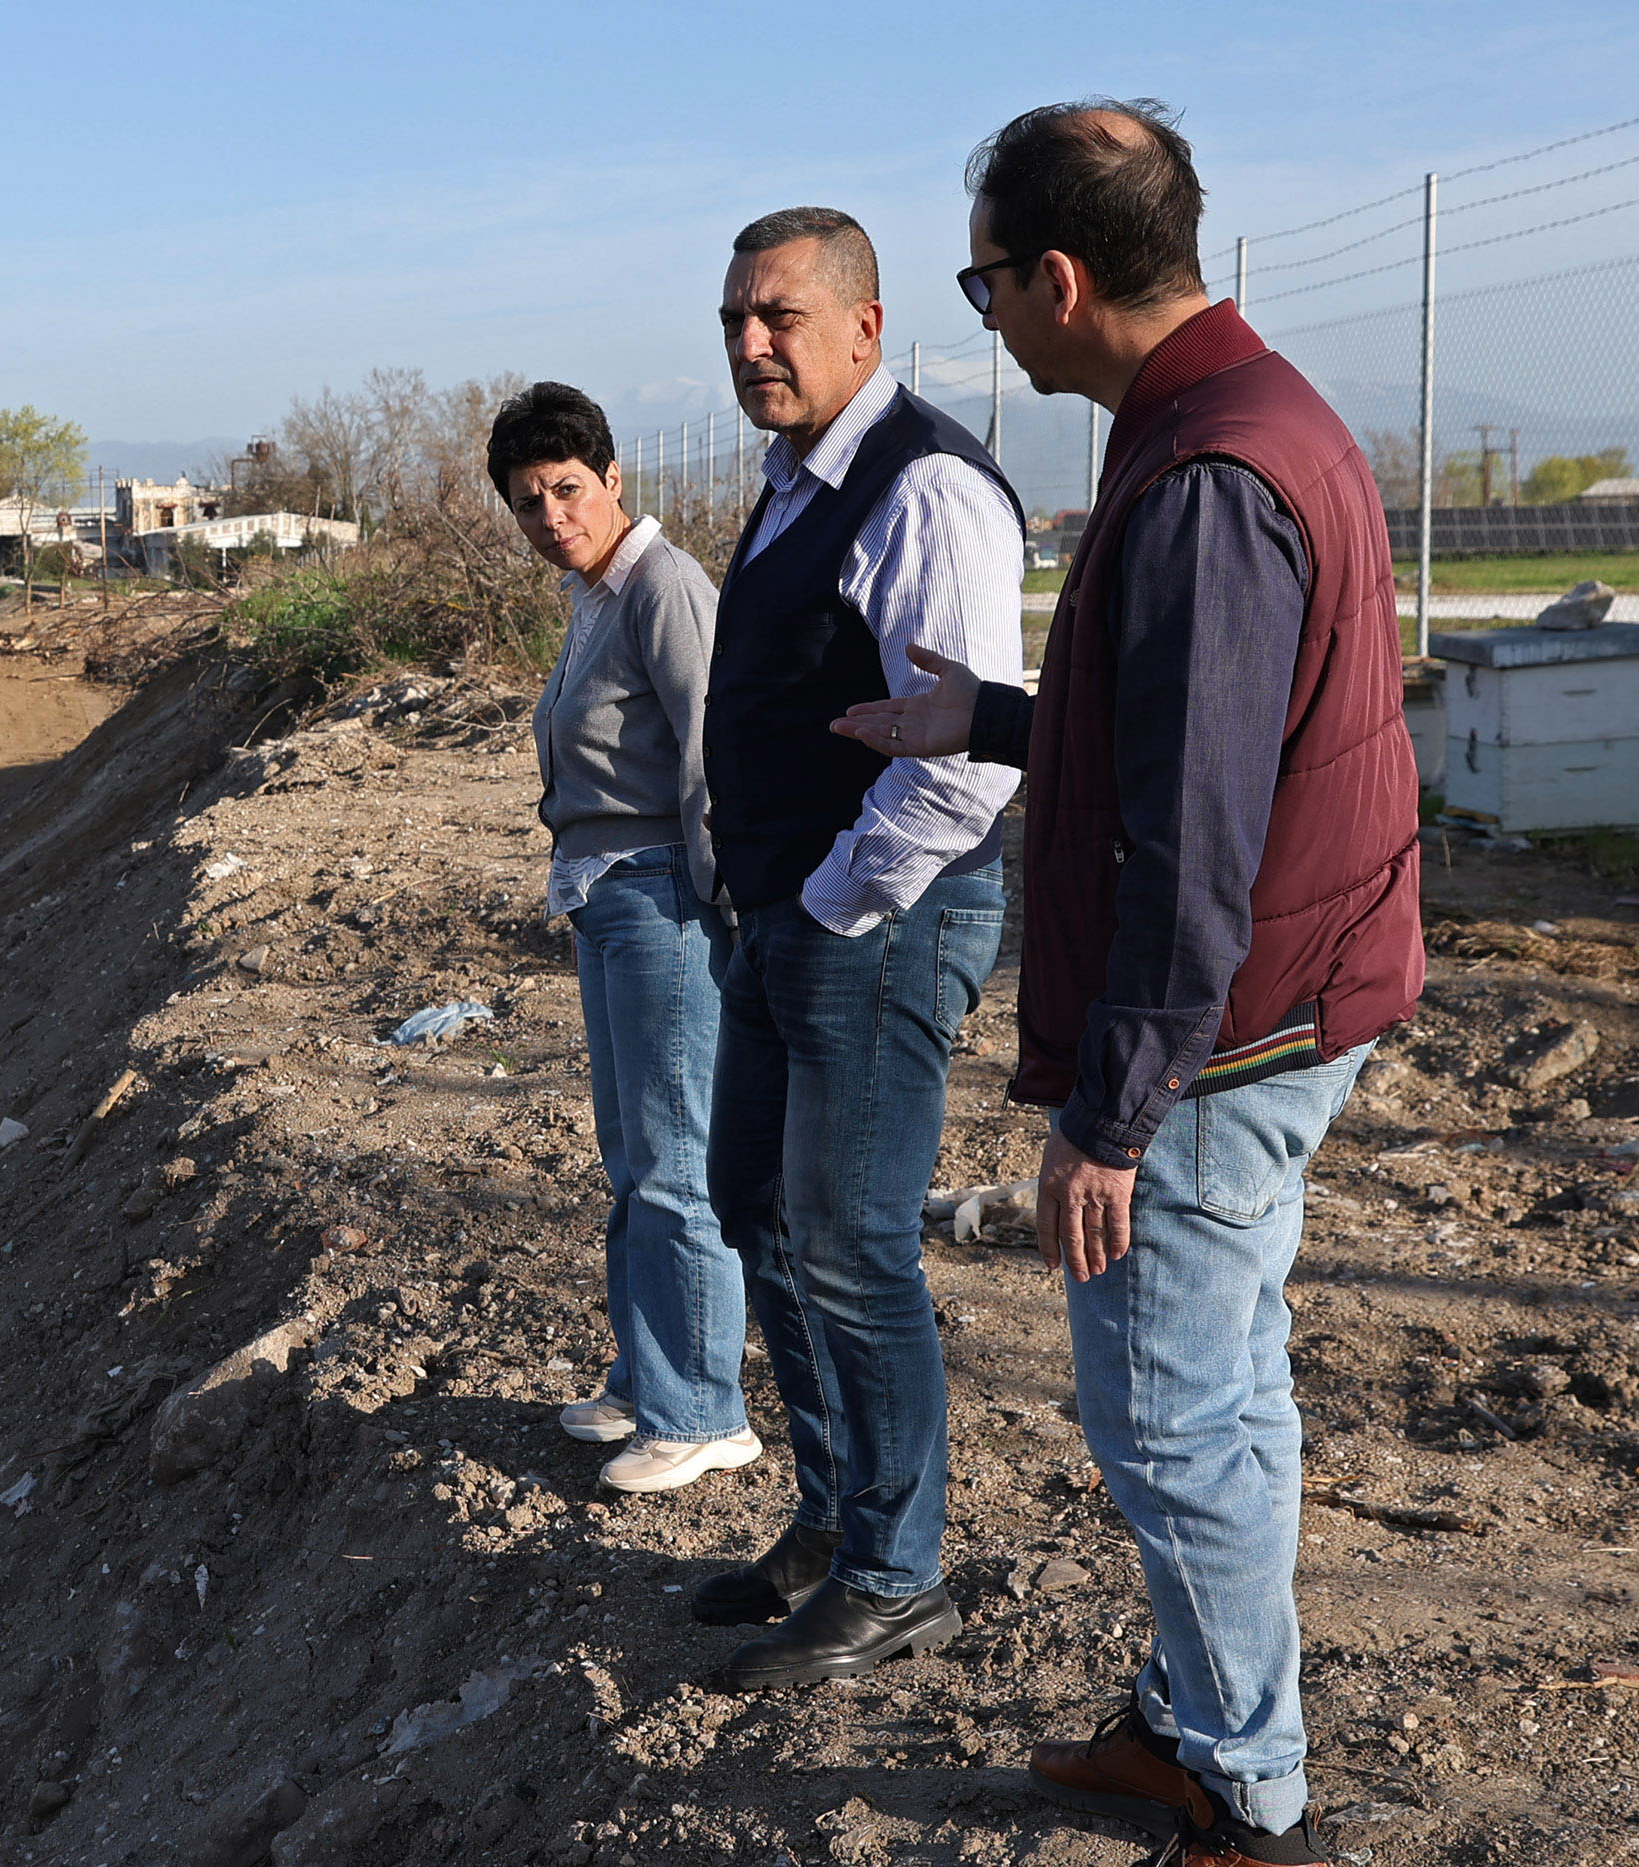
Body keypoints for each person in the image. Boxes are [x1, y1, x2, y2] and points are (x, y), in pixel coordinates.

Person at [833, 100, 1422, 1867]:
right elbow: (1190, 739)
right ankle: (1200, 1718)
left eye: (988, 281)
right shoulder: (1237, 420)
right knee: (1226, 1395)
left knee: (1170, 1427)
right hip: (1281, 1002)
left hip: (1222, 1037)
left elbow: (1196, 844)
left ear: (1062, 278)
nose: (990, 315)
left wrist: (1109, 1113)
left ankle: (1251, 1800)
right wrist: (997, 719)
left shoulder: (1208, 477)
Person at [680, 209, 1023, 1688]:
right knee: (752, 1202)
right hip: (783, 914)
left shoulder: (923, 484)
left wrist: (831, 900)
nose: (754, 342)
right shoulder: (788, 483)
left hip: (878, 918)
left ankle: (897, 1570)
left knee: (852, 1241)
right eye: (736, 319)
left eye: (782, 316)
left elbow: (964, 754)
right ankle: (832, 1520)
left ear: (868, 326)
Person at [494, 382, 758, 1495]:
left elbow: (711, 759)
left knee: (673, 1159)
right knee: (630, 1156)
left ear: (611, 479)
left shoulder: (662, 585)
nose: (553, 514)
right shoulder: (590, 593)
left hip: (663, 896)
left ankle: (703, 1410)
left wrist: (720, 911)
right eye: (528, 501)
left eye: (566, 488)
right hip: (603, 892)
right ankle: (649, 1375)